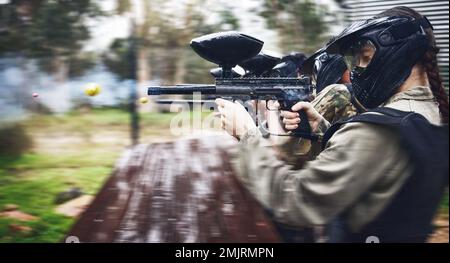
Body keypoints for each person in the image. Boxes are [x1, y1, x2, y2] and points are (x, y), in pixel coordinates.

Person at [216, 6, 449, 242]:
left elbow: (295, 201)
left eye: (366, 58)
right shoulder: (432, 113)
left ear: (400, 53)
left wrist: (247, 136)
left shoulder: (378, 131)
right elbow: (376, 170)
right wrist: (323, 131)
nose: (356, 71)